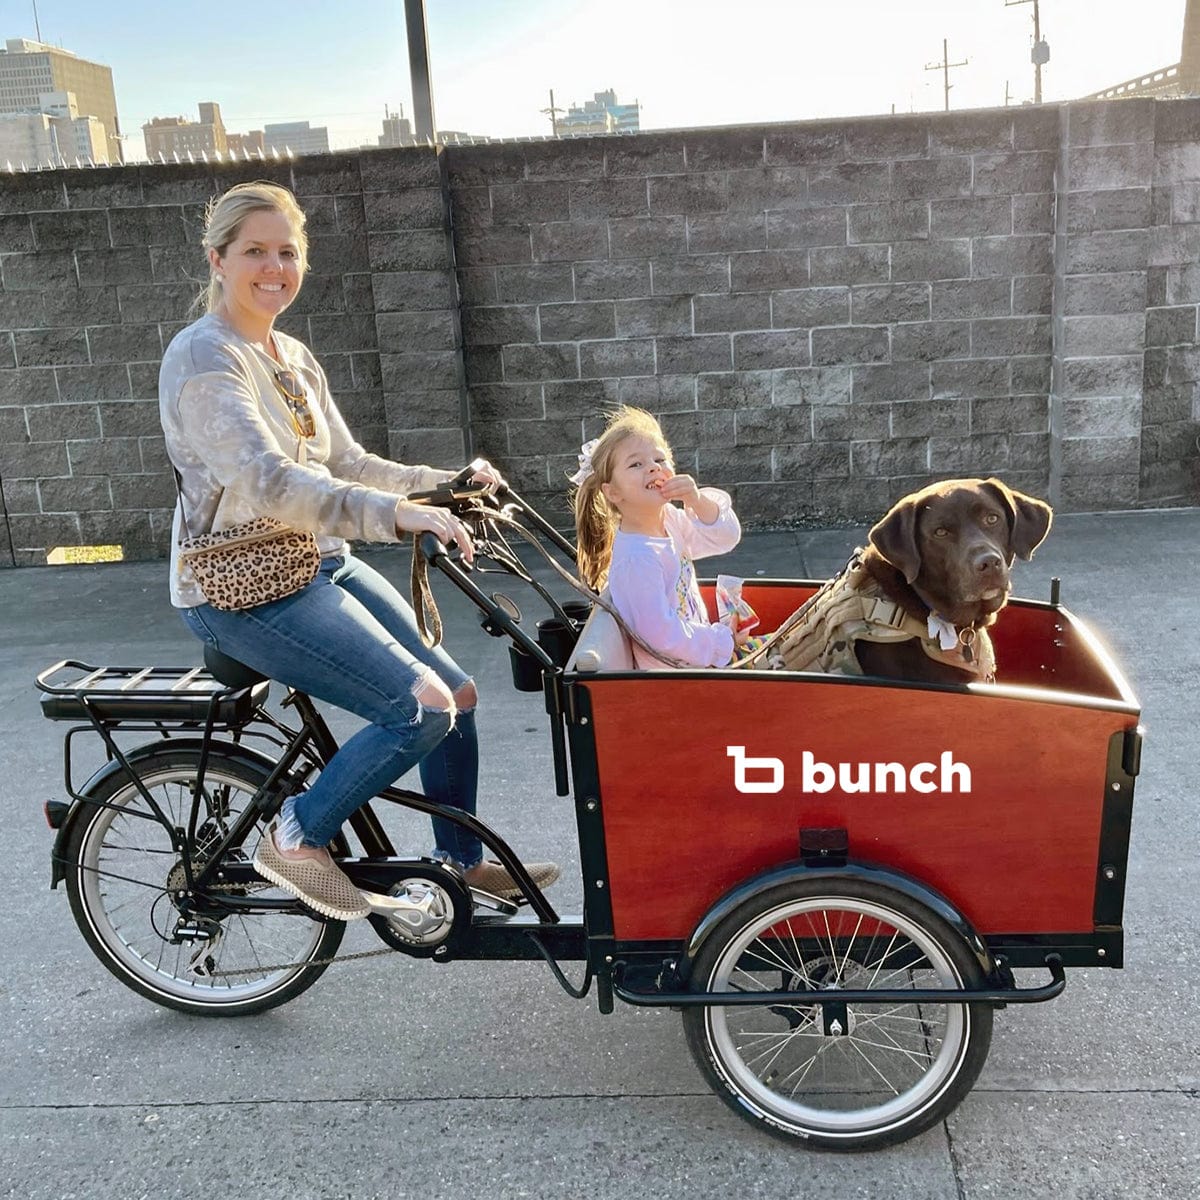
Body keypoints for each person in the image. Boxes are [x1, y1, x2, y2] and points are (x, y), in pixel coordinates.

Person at [159, 180, 558, 920]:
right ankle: (295, 837)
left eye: (287, 252)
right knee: (419, 709)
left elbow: (346, 462)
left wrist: (443, 486)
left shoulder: (290, 355)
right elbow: (269, 482)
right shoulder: (205, 359)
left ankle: (458, 864)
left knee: (457, 696)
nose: (274, 267)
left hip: (315, 563)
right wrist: (394, 517)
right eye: (255, 251)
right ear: (217, 258)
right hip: (239, 590)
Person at [572, 406, 749, 669]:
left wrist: (697, 501)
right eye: (636, 464)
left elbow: (726, 538)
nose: (654, 468)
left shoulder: (669, 520)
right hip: (676, 678)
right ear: (613, 493)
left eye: (660, 459)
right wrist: (721, 642)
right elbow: (662, 635)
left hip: (699, 661)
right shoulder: (637, 559)